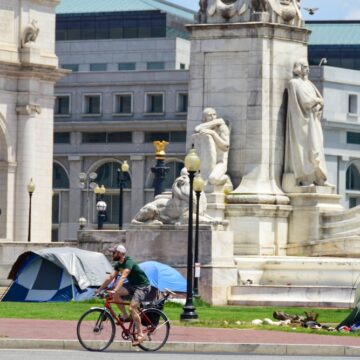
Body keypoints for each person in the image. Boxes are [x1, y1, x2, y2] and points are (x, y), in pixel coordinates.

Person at [284, 59, 329, 186]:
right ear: (299, 68)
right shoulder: (294, 83)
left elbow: (320, 100)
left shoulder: (309, 83)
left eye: (308, 67)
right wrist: (317, 101)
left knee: (316, 147)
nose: (308, 69)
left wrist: (319, 104)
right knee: (306, 148)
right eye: (305, 67)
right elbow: (305, 101)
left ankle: (318, 177)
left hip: (313, 120)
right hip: (303, 121)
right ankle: (306, 177)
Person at [96, 244, 151, 346]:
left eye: (114, 252)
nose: (112, 254)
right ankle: (126, 317)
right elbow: (111, 277)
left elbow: (123, 276)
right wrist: (99, 289)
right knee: (116, 294)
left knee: (132, 308)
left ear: (120, 254)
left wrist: (115, 289)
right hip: (132, 285)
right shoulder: (118, 264)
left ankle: (141, 335)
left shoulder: (128, 262)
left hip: (143, 286)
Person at [192, 107, 232, 188]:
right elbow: (196, 129)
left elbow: (225, 146)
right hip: (205, 163)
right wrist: (214, 123)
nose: (213, 117)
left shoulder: (222, 128)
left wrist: (213, 134)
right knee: (185, 174)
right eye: (210, 115)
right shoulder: (204, 130)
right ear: (205, 118)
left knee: (212, 179)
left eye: (214, 114)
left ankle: (226, 179)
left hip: (220, 163)